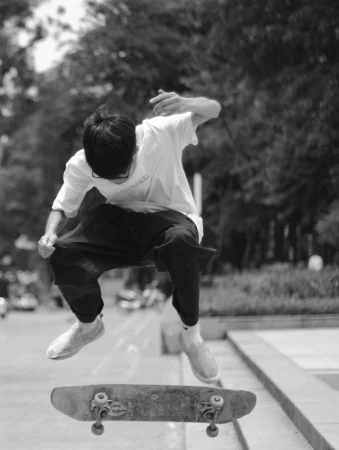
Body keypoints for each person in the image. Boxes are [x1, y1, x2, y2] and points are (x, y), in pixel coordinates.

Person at [37, 90, 221, 384]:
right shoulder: (83, 162)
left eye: (123, 173)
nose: (118, 181)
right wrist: (48, 236)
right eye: (109, 178)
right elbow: (62, 206)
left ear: (135, 148)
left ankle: (192, 337)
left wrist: (187, 104)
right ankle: (88, 326)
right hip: (122, 229)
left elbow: (214, 108)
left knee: (182, 244)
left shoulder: (160, 132)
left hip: (171, 224)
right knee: (64, 250)